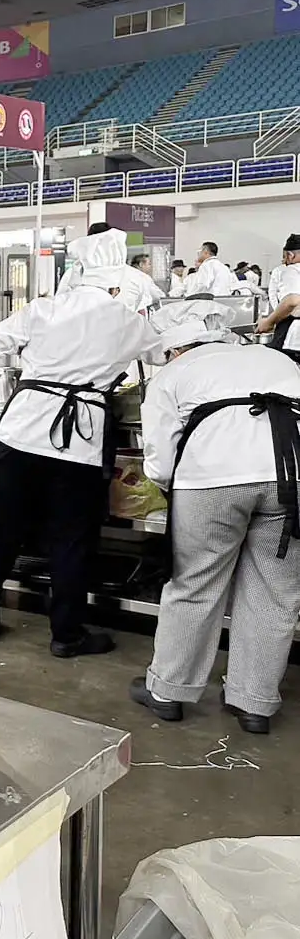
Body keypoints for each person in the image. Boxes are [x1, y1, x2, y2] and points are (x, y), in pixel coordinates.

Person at [0, 230, 162, 655]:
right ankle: (66, 635)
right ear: (116, 284)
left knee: (0, 532)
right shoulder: (127, 320)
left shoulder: (44, 308)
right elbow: (169, 354)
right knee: (72, 539)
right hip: (80, 440)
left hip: (21, 431)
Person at [129, 302, 300, 734]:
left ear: (175, 348)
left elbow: (160, 461)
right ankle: (255, 702)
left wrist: (169, 488)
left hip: (212, 479)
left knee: (195, 583)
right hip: (293, 478)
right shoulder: (275, 358)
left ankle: (168, 691)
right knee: (275, 591)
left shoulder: (173, 375)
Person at [258, 233, 300, 360]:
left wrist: (269, 322)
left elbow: (292, 301)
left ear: (290, 255)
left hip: (294, 337)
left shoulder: (291, 270)